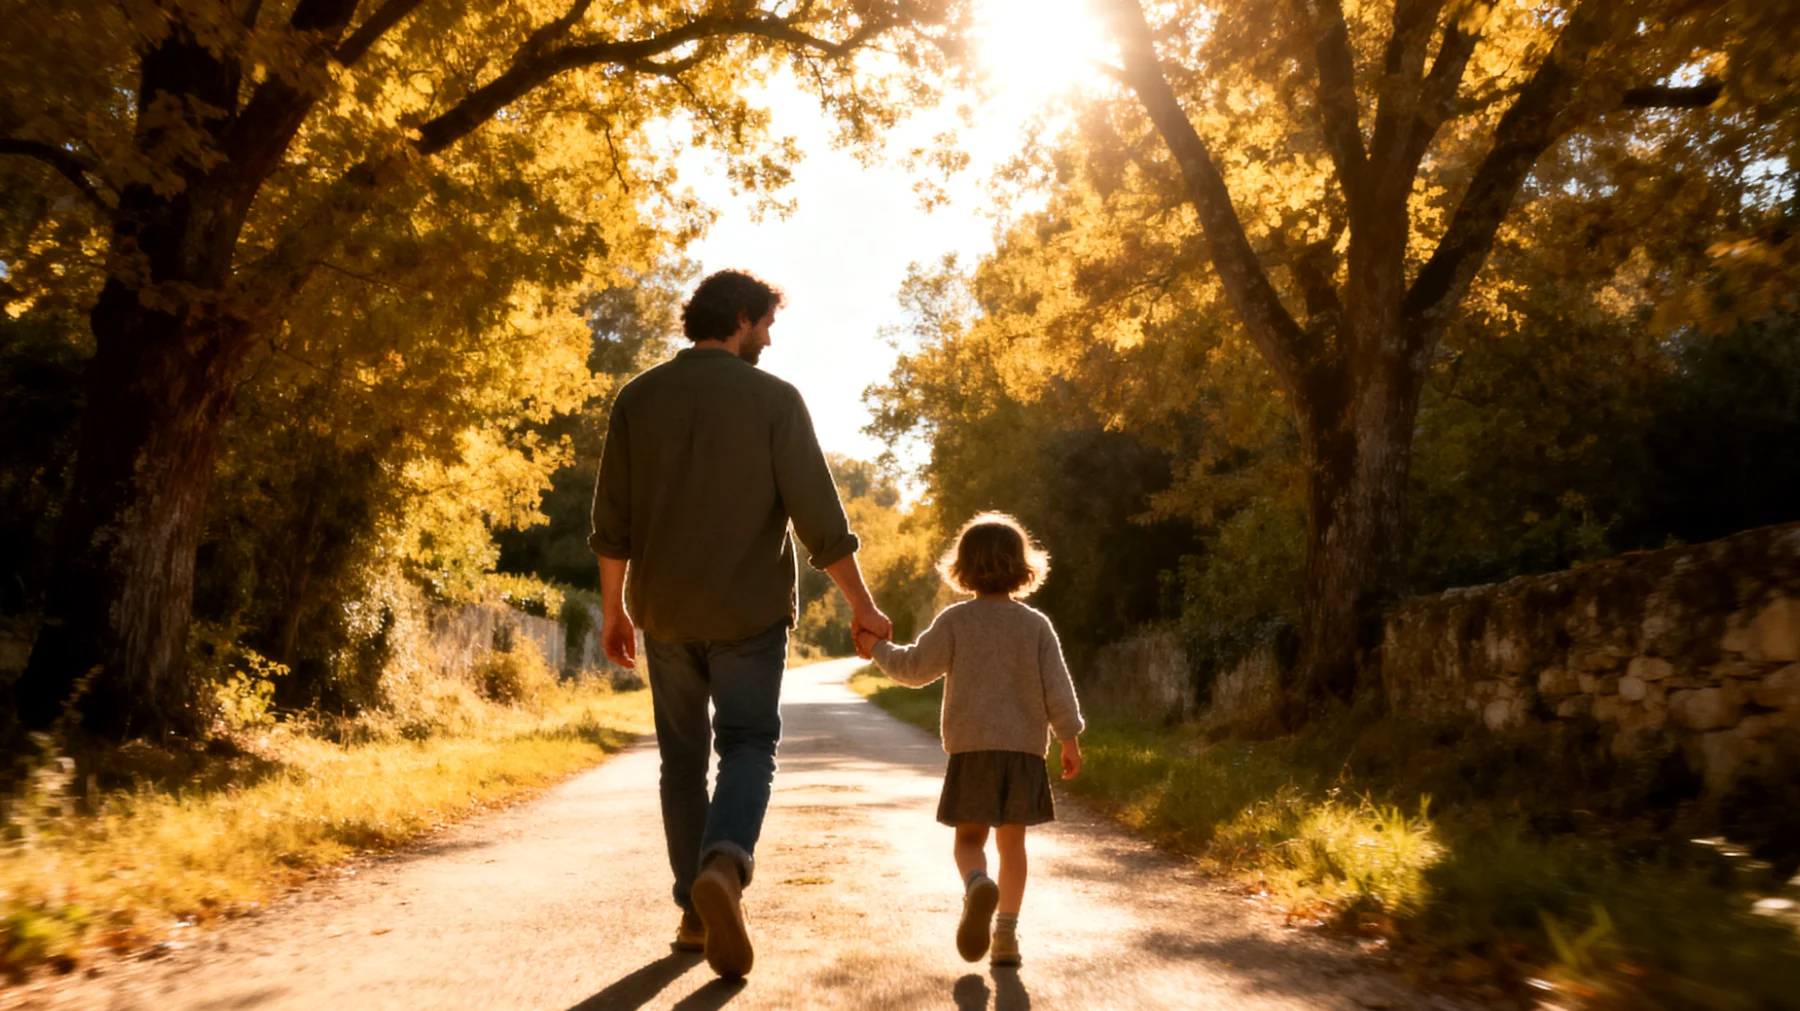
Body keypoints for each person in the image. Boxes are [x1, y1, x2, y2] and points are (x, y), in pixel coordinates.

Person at [590, 269, 892, 979]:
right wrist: (862, 603)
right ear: (742, 319)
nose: (770, 340)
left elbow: (612, 520)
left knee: (681, 761)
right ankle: (723, 866)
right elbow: (819, 517)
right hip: (749, 614)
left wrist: (614, 609)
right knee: (749, 743)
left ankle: (695, 914)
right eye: (767, 325)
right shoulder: (774, 399)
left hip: (664, 612)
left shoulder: (638, 398)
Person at [854, 511, 1084, 968]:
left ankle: (977, 883)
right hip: (1023, 752)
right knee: (1012, 846)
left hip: (971, 751)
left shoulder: (956, 621)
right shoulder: (1035, 625)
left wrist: (875, 647)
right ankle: (1007, 936)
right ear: (1023, 567)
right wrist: (1069, 739)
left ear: (962, 569)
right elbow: (1057, 688)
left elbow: (914, 668)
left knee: (968, 840)